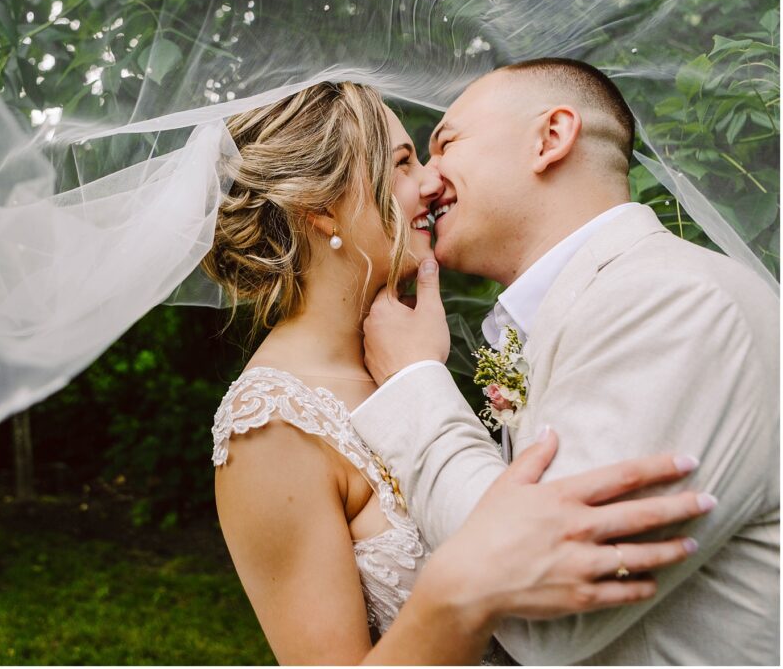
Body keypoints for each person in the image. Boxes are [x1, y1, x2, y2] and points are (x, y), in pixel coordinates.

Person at [202, 81, 713, 665]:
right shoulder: (271, 423)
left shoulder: (407, 359)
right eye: (402, 163)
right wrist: (458, 591)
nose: (430, 182)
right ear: (321, 208)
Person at [355, 58, 780, 664]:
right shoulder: (598, 304)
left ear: (550, 138)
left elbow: (542, 616)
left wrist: (412, 383)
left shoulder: (676, 302)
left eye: (445, 143)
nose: (427, 180)